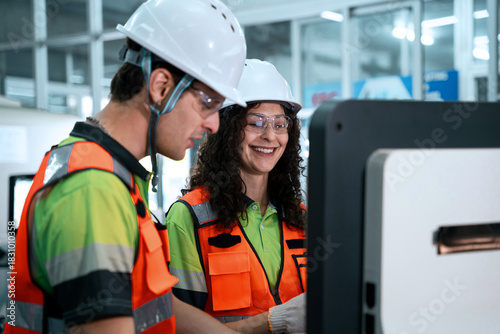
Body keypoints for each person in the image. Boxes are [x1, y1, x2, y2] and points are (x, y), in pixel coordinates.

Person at [5, 0, 248, 333]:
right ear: (161, 87)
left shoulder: (113, 175)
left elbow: (157, 304)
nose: (214, 124)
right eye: (208, 103)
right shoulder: (92, 188)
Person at [165, 59, 307, 334]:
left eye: (280, 124)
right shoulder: (190, 216)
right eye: (255, 123)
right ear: (227, 131)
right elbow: (180, 328)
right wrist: (271, 323)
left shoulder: (300, 217)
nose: (270, 136)